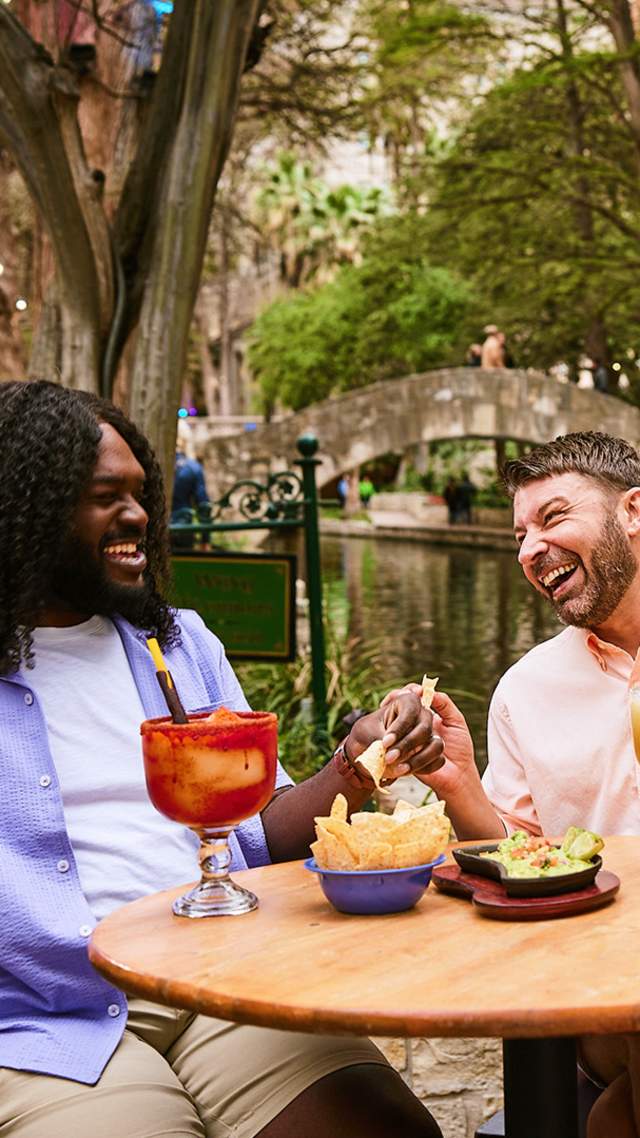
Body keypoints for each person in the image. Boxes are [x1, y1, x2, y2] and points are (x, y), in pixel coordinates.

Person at [0, 380, 444, 1138]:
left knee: (387, 1129)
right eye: (106, 496)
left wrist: (362, 759)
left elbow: (257, 830)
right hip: (49, 1023)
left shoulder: (179, 645)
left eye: (140, 493)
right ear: (32, 509)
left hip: (223, 978)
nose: (138, 516)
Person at [396, 431, 640, 1138]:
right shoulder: (524, 691)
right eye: (520, 534)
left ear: (632, 512)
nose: (531, 548)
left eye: (555, 517)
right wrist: (459, 783)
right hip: (595, 986)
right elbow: (521, 867)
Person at [171, 447, 211, 549]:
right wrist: (205, 540)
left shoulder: (152, 462)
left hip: (155, 528)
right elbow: (203, 505)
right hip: (182, 527)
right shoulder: (193, 467)